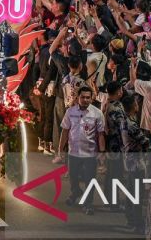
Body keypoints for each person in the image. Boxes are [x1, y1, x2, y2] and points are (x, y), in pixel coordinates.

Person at [55, 83, 106, 214]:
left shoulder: (97, 113)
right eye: (83, 97)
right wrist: (60, 149)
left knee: (90, 180)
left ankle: (88, 204)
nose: (85, 100)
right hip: (73, 152)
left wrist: (102, 152)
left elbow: (100, 134)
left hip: (90, 153)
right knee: (73, 178)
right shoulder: (70, 112)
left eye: (88, 97)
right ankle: (76, 192)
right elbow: (65, 131)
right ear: (78, 97)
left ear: (92, 98)